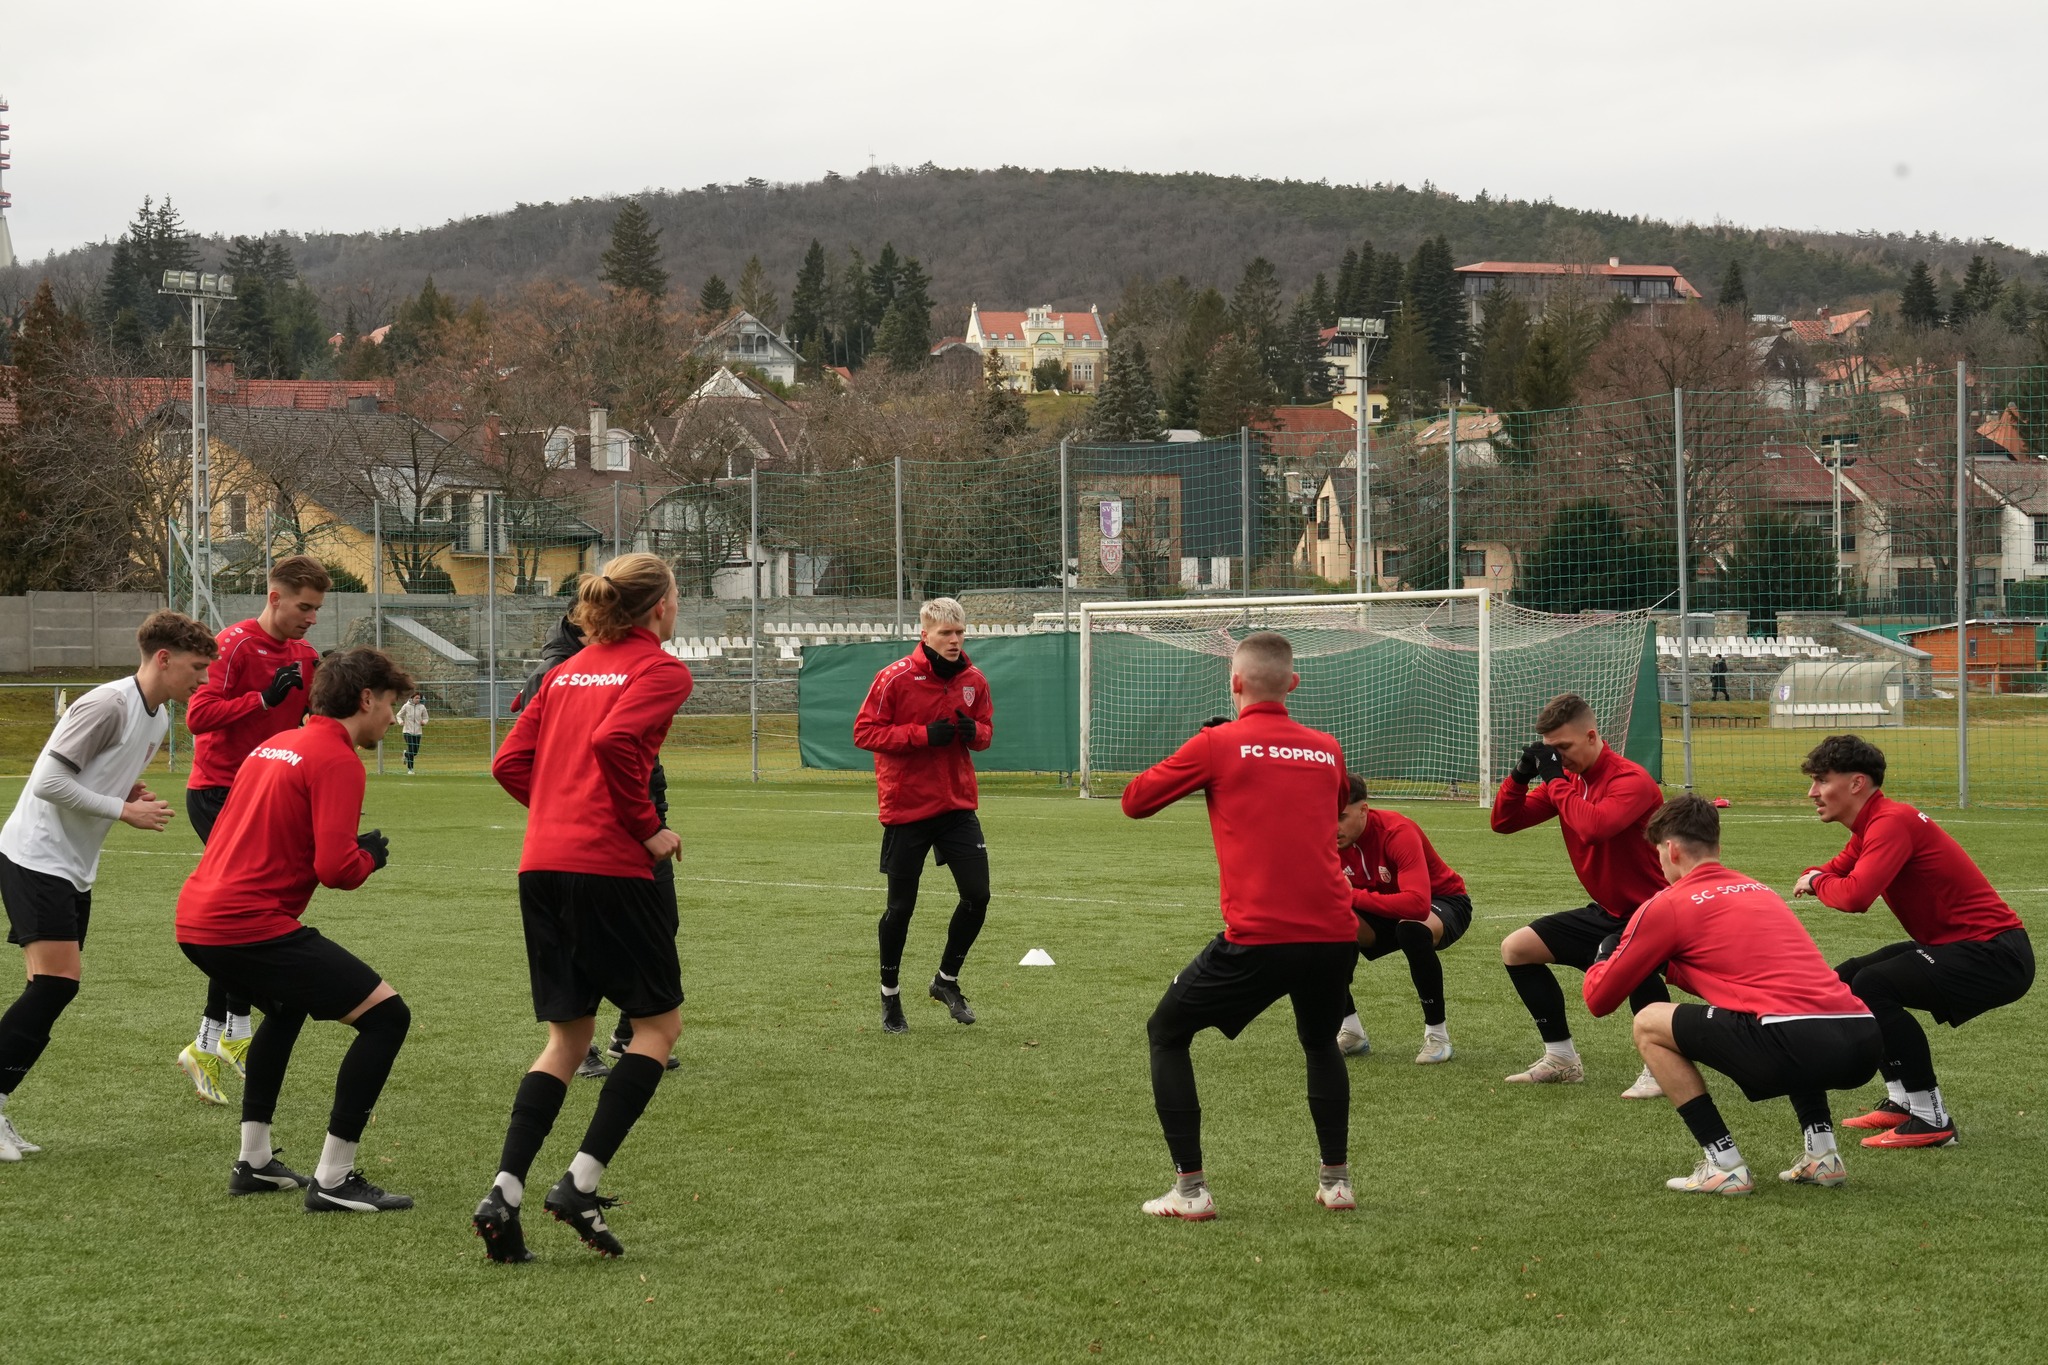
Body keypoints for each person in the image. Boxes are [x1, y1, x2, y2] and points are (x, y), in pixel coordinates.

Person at [473, 554, 693, 1262]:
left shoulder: (567, 670)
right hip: (610, 866)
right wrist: (642, 825)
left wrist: (561, 815)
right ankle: (580, 1183)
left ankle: (504, 1192)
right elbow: (615, 739)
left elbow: (508, 764)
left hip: (541, 865)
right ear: (658, 607)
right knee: (658, 1027)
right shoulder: (659, 669)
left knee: (567, 1041)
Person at [1120, 632, 1360, 1220]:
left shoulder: (1217, 743)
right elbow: (1322, 808)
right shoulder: (1327, 748)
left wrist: (1207, 746)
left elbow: (1135, 801)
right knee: (1319, 1041)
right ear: (1294, 684)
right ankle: (1336, 1182)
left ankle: (1191, 1191)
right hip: (1334, 932)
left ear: (1234, 684)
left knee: (1166, 1033)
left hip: (1261, 935)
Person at [174, 646, 416, 1212]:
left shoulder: (274, 743)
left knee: (285, 1009)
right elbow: (337, 872)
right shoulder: (336, 758)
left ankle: (254, 1163)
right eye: (390, 704)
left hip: (197, 917)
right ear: (365, 698)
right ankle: (335, 1178)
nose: (393, 717)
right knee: (387, 1018)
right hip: (244, 922)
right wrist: (368, 858)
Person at [0, 612, 216, 1161]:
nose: (202, 680)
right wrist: (123, 809)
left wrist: (126, 789)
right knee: (56, 985)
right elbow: (48, 782)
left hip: (72, 864)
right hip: (36, 855)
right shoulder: (107, 703)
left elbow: (93, 773)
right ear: (162, 659)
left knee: (48, 987)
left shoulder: (159, 719)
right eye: (195, 667)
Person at [1586, 795, 1881, 1195]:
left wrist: (1605, 954)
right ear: (1717, 847)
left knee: (1648, 1023)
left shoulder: (1666, 903)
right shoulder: (1759, 889)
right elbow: (1740, 979)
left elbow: (1599, 1001)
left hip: (1795, 1041)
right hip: (1863, 1040)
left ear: (1670, 849)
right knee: (1782, 1009)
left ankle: (1724, 1165)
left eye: (1658, 853)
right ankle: (1823, 1157)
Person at [1792, 735, 2033, 1148]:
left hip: (1995, 953)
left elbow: (1854, 896)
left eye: (1821, 780)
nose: (1812, 792)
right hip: (1962, 946)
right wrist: (1819, 876)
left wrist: (1817, 881)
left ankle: (1931, 1116)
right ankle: (1903, 1101)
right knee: (1850, 978)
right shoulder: (1873, 825)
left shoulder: (1891, 822)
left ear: (1856, 784)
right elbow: (1833, 870)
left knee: (1873, 985)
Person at [177, 554, 328, 1105]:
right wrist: (262, 699)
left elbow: (316, 719)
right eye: (304, 607)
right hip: (217, 791)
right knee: (245, 916)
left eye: (317, 609)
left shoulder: (306, 654)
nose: (311, 618)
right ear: (275, 598)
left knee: (259, 914)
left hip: (262, 793)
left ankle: (226, 1037)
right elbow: (198, 716)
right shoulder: (235, 644)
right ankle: (213, 1039)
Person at [506, 608, 681, 1081]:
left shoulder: (584, 665)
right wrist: (585, 812)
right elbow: (608, 740)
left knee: (664, 922)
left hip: (599, 828)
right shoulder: (565, 668)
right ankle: (615, 1039)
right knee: (616, 962)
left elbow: (509, 762)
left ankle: (625, 1034)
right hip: (608, 837)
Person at [1492, 692, 1671, 1097]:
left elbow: (1594, 827)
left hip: (1656, 911)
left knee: (1628, 955)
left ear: (1592, 736)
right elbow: (1504, 822)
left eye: (1564, 748)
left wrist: (1555, 780)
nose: (1557, 759)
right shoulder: (1571, 781)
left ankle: (1661, 1068)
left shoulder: (1631, 780)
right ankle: (1561, 1059)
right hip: (1610, 910)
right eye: (1549, 751)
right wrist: (1520, 776)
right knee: (1517, 948)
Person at [851, 597, 995, 1034]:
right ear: (925, 634)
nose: (954, 641)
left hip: (956, 806)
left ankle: (945, 981)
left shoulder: (974, 679)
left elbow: (986, 731)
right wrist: (921, 735)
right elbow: (864, 732)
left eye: (960, 633)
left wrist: (977, 734)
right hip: (907, 808)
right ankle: (890, 998)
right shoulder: (894, 678)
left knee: (978, 897)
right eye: (946, 634)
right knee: (901, 908)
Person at [1333, 775, 1472, 1065]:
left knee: (1411, 928)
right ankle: (1351, 1031)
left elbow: (1418, 904)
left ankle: (1437, 1037)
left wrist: (1352, 897)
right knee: (1319, 928)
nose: (1333, 827)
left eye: (1341, 817)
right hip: (1380, 907)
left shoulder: (1397, 831)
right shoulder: (1325, 839)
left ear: (1364, 810)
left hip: (1443, 902)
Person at [397, 692, 428, 774]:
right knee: (411, 749)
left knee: (415, 751)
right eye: (416, 698)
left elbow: (426, 717)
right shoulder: (406, 706)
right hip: (407, 731)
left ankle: (406, 754)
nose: (418, 699)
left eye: (419, 698)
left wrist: (424, 722)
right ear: (412, 698)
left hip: (418, 732)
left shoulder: (422, 707)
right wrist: (400, 722)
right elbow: (399, 715)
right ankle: (410, 769)